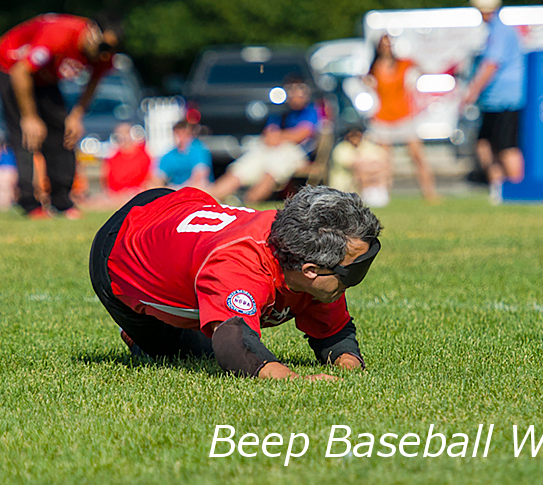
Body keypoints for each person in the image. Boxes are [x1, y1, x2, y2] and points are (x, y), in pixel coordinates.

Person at [89, 185, 381, 380]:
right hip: (120, 248)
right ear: (310, 270)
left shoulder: (302, 249)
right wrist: (294, 379)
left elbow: (333, 331)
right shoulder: (239, 268)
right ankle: (142, 332)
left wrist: (347, 362)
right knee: (189, 352)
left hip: (176, 206)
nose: (354, 280)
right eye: (352, 272)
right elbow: (234, 345)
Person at [0, 13, 121, 220]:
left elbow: (95, 79)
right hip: (11, 65)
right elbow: (20, 72)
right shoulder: (59, 36)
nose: (104, 55)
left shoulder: (104, 52)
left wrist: (76, 115)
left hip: (44, 75)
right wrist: (30, 117)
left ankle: (62, 201)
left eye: (110, 51)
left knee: (63, 132)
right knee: (27, 135)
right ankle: (30, 204)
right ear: (92, 32)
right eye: (103, 48)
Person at [460, 0, 526, 203]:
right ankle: (498, 188)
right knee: (485, 143)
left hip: (505, 99)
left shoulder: (500, 31)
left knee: (507, 146)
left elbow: (491, 64)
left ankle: (517, 189)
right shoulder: (495, 30)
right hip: (493, 101)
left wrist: (472, 90)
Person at [211, 75, 321, 204]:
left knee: (271, 172)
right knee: (241, 168)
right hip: (268, 149)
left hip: (294, 153)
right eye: (291, 90)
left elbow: (302, 134)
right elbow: (268, 135)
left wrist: (279, 136)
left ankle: (247, 201)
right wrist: (280, 137)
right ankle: (210, 197)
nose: (294, 94)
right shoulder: (280, 111)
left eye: (298, 90)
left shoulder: (311, 111)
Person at [363, 34, 438, 201]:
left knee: (418, 157)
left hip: (404, 116)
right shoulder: (374, 68)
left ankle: (430, 194)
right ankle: (384, 195)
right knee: (385, 162)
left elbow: (424, 67)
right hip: (383, 118)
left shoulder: (404, 63)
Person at [328, 127, 392, 207]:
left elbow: (383, 159)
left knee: (383, 171)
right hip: (346, 186)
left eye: (357, 134)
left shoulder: (367, 145)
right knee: (361, 173)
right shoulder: (341, 148)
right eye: (352, 135)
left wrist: (372, 168)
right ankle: (367, 196)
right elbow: (354, 166)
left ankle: (380, 195)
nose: (355, 137)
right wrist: (371, 166)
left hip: (370, 177)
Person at [101, 122, 153, 207]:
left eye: (126, 132)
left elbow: (150, 179)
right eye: (120, 133)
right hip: (115, 196)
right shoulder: (112, 156)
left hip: (137, 194)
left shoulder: (143, 154)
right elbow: (105, 179)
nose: (123, 136)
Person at [154, 121, 212, 189]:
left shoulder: (198, 149)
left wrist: (182, 188)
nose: (180, 137)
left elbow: (200, 174)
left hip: (193, 187)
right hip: (175, 189)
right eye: (178, 134)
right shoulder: (170, 154)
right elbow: (159, 176)